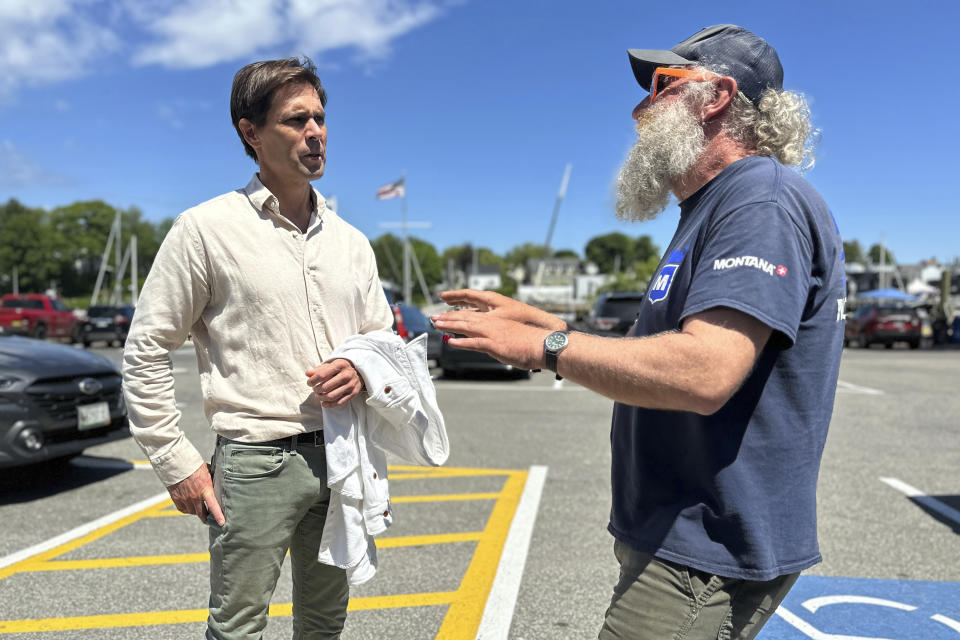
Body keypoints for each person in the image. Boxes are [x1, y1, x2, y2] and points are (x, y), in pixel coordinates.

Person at [432, 25, 845, 640]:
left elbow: (706, 370)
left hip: (705, 551)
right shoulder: (715, 206)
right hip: (680, 538)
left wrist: (546, 349)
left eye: (661, 85)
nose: (640, 106)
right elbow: (663, 353)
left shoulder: (760, 200)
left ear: (717, 97)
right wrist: (547, 324)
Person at [122, 57, 393, 639]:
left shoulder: (352, 243)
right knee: (238, 627)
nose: (316, 132)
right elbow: (146, 349)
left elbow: (382, 340)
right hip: (254, 463)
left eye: (320, 118)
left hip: (341, 455)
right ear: (251, 133)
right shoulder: (205, 229)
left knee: (325, 621)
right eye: (296, 121)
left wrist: (362, 370)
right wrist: (177, 464)